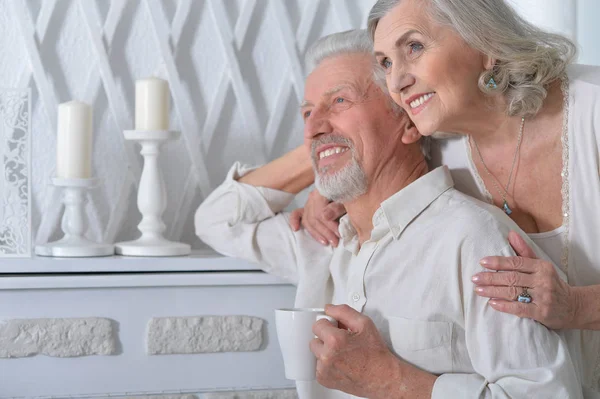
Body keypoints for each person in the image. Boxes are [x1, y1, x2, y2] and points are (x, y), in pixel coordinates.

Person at [195, 29, 582, 398]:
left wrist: (393, 382)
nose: (310, 126)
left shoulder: (471, 239)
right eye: (306, 112)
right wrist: (326, 143)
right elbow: (216, 220)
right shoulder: (323, 240)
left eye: (340, 100)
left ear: (408, 122)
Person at [292, 0, 600, 394]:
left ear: (485, 42)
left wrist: (575, 306)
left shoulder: (592, 113)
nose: (398, 80)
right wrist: (322, 191)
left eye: (414, 47)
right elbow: (351, 139)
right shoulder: (442, 144)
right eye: (386, 62)